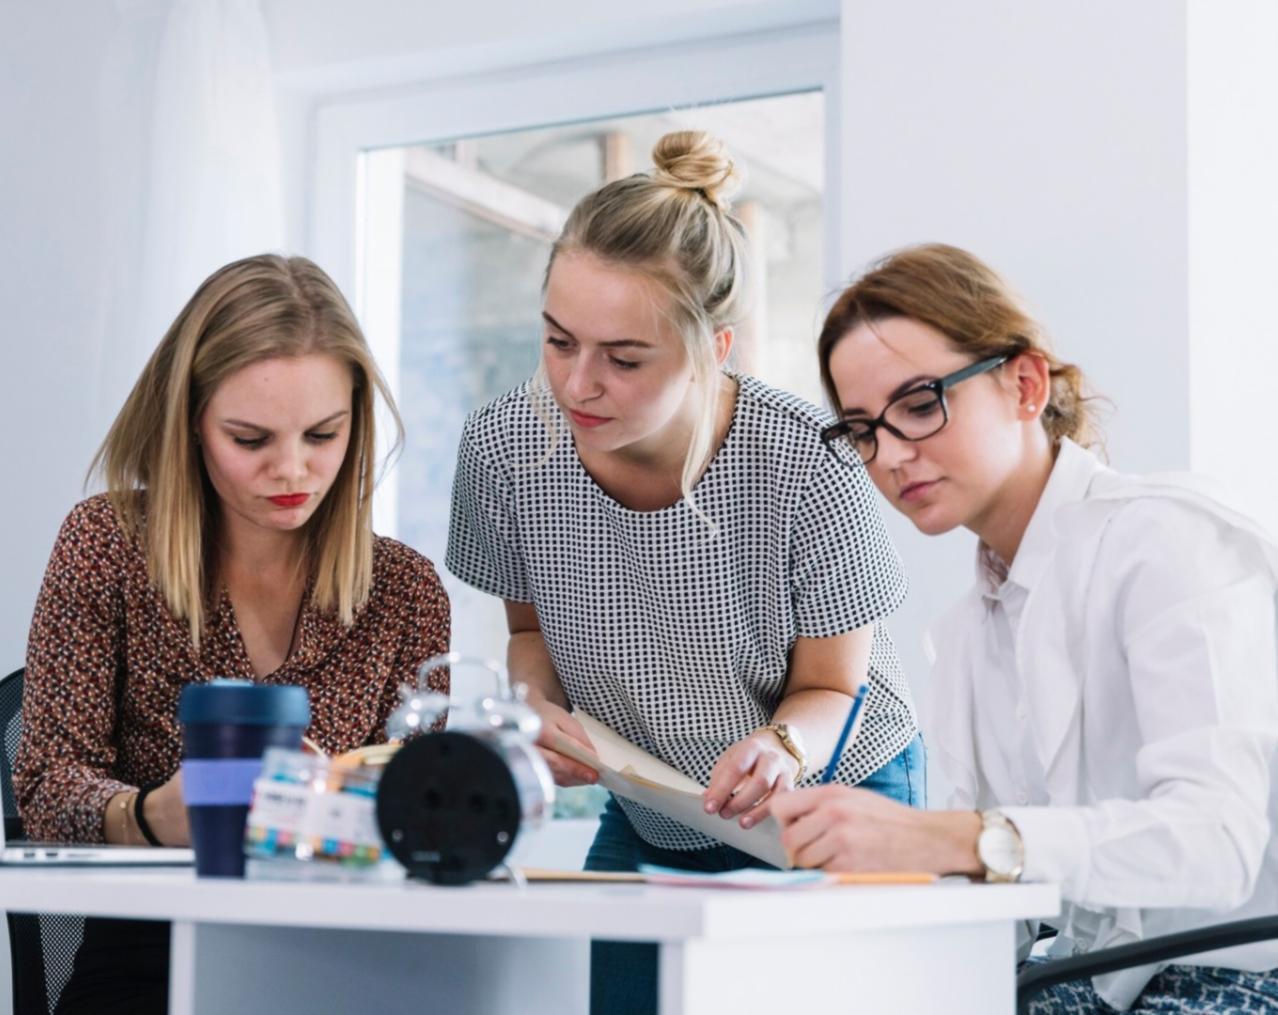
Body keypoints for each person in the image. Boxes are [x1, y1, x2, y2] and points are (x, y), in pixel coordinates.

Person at [445, 131, 924, 1015]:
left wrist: (779, 751)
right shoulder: (504, 450)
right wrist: (536, 710)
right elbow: (528, 631)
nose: (577, 384)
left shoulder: (806, 462)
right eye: (557, 341)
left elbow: (830, 685)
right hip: (655, 795)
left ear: (718, 347)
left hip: (831, 786)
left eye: (625, 359)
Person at [774, 242, 1278, 1012]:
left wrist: (954, 839)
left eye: (919, 403)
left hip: (1234, 981)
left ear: (1026, 383)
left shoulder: (1167, 542)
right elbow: (1001, 920)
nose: (893, 456)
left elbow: (1217, 840)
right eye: (863, 430)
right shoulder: (971, 631)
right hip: (1082, 986)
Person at [13, 253, 450, 1013]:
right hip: (149, 950)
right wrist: (152, 815)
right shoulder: (107, 543)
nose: (293, 469)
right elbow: (48, 783)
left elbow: (428, 818)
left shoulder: (406, 592)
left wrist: (340, 801)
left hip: (347, 959)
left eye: (323, 433)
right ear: (190, 423)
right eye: (250, 439)